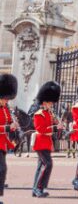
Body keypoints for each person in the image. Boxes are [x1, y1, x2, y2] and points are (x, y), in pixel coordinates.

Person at [31, 81, 62, 198]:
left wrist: (57, 123)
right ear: (44, 102)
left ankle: (36, 189)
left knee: (41, 166)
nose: (51, 105)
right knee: (48, 164)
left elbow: (50, 128)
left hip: (46, 142)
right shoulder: (39, 114)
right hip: (40, 142)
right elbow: (41, 129)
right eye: (50, 103)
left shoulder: (48, 113)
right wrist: (55, 127)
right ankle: (39, 188)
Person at [0, 74, 17, 204]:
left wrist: (13, 126)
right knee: (1, 169)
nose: (7, 101)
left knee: (3, 170)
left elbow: (9, 122)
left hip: (3, 143)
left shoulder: (5, 109)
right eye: (5, 98)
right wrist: (7, 127)